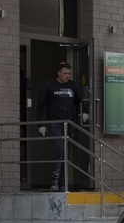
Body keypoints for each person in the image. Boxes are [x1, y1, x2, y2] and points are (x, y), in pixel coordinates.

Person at [37, 61, 88, 191]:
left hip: (69, 123)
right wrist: (41, 125)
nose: (67, 76)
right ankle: (55, 181)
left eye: (69, 73)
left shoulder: (73, 86)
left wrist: (84, 112)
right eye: (65, 73)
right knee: (58, 150)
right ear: (58, 73)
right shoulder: (49, 86)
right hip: (54, 122)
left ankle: (62, 183)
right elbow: (41, 106)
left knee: (66, 152)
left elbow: (80, 101)